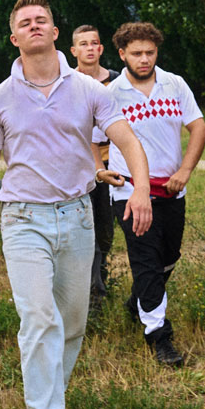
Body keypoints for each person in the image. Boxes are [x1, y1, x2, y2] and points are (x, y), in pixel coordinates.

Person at [0, 0, 152, 409]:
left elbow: (127, 139)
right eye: (25, 21)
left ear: (56, 33)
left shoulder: (91, 90)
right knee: (39, 320)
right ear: (14, 38)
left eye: (42, 19)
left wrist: (139, 189)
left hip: (77, 217)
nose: (34, 25)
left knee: (72, 323)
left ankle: (53, 404)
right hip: (23, 219)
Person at [104, 21, 205, 367]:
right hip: (130, 193)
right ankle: (158, 336)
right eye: (137, 53)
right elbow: (92, 139)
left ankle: (140, 301)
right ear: (122, 54)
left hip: (172, 190)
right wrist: (98, 169)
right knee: (146, 260)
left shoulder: (174, 84)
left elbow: (198, 127)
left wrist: (185, 171)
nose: (144, 59)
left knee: (168, 257)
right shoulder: (111, 94)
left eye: (150, 52)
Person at [68, 24, 120, 303]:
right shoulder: (66, 82)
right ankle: (92, 289)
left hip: (112, 164)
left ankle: (101, 274)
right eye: (83, 44)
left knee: (105, 226)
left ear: (101, 48)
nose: (89, 48)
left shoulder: (117, 81)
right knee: (83, 226)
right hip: (78, 165)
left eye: (94, 43)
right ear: (73, 51)